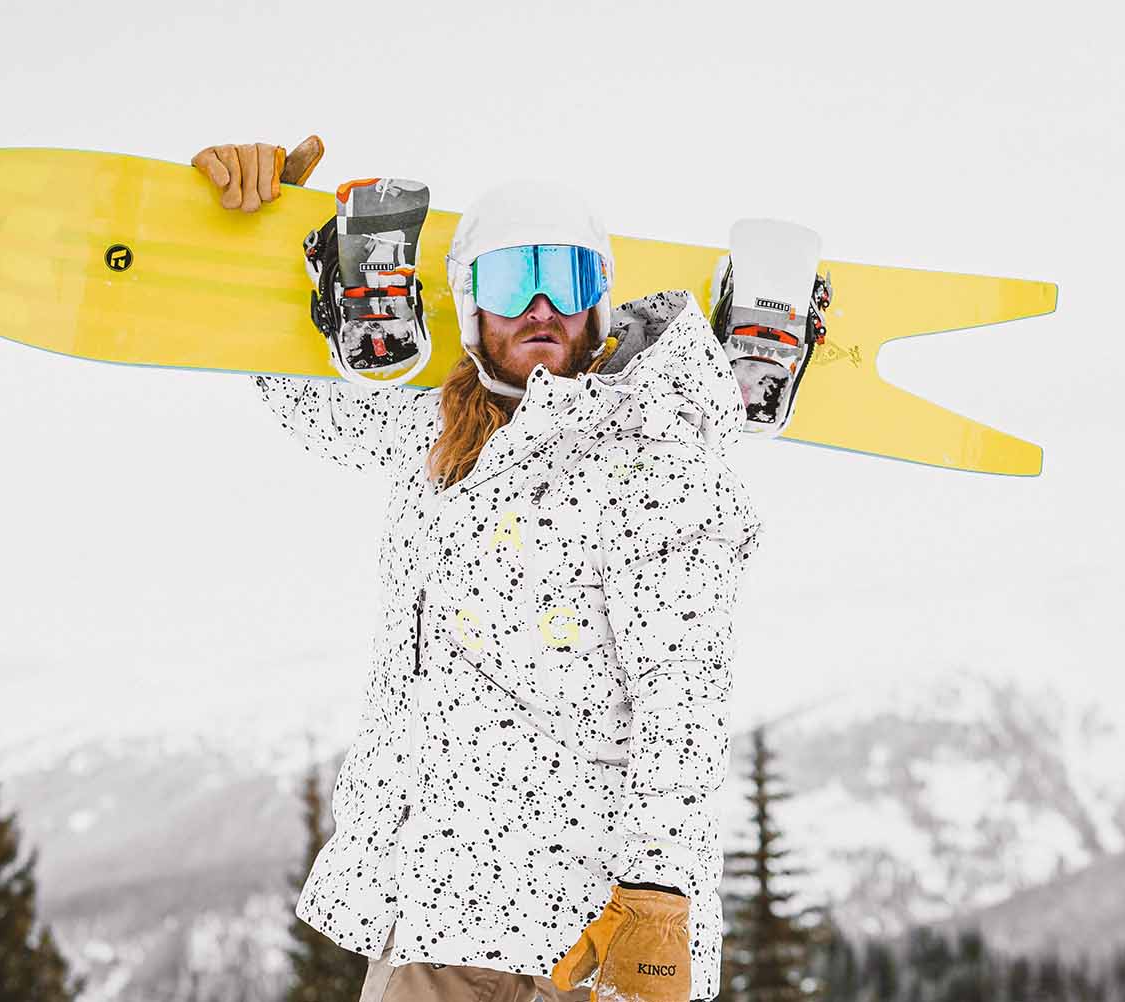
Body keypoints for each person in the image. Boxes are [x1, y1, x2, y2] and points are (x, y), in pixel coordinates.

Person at [193, 137, 764, 1002]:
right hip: (436, 909)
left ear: (599, 301)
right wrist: (266, 231)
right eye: (510, 282)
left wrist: (660, 892)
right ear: (468, 308)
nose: (540, 307)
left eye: (565, 280)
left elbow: (685, 691)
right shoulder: (447, 436)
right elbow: (314, 403)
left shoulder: (653, 455)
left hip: (579, 933)